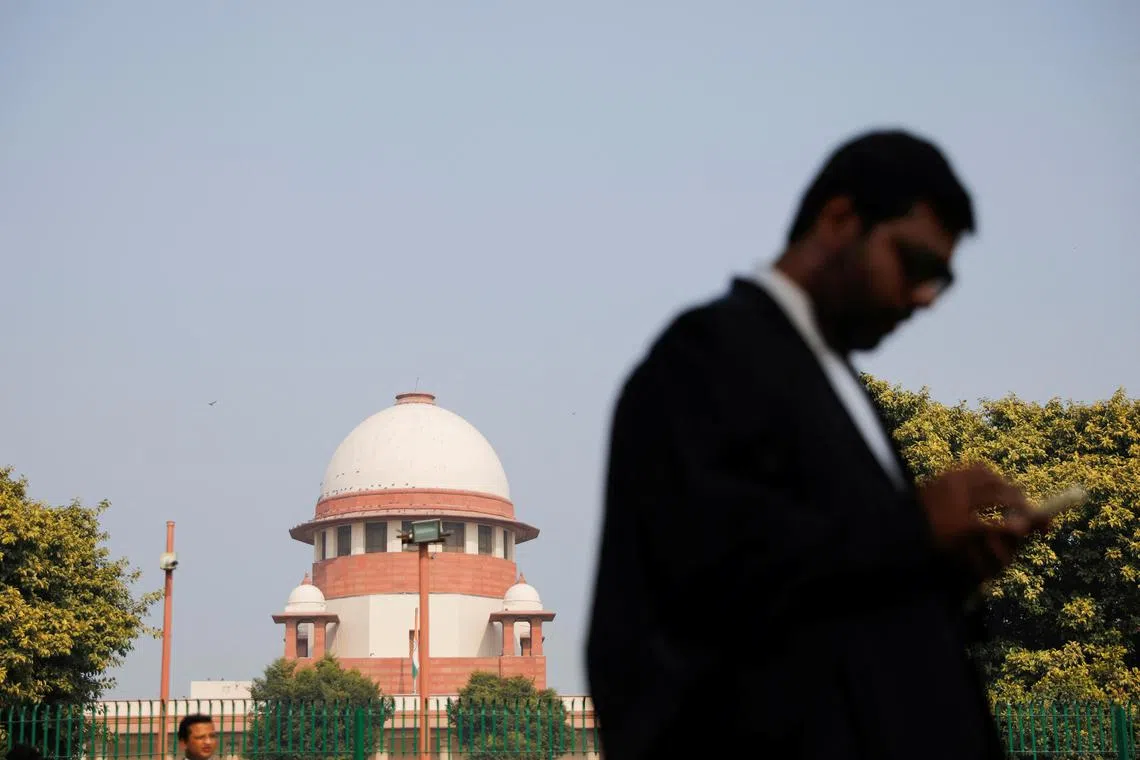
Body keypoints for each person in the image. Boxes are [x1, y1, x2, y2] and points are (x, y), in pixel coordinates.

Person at [585, 129, 1049, 759]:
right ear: (839, 220)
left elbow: (834, 591)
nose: (921, 300)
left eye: (940, 284)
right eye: (914, 266)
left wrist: (942, 570)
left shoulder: (836, 387)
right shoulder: (709, 356)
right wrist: (914, 528)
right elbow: (708, 587)